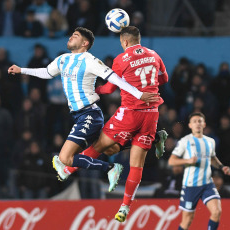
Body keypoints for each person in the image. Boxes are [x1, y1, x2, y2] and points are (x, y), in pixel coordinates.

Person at [8, 27, 158, 193]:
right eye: (72, 34)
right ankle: (151, 139)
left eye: (76, 35)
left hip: (90, 114)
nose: (71, 37)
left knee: (65, 157)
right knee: (106, 148)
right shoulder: (63, 59)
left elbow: (114, 78)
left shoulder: (90, 61)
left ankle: (110, 168)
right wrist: (22, 70)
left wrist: (138, 94)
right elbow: (46, 73)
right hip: (78, 116)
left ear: (85, 43)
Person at [53, 26, 169, 222]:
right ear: (138, 39)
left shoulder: (121, 59)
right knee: (135, 164)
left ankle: (68, 169)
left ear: (124, 42)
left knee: (100, 145)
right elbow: (164, 79)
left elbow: (109, 88)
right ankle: (125, 207)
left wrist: (95, 90)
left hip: (130, 113)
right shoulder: (154, 54)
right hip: (151, 113)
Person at [168, 112, 230, 230]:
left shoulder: (210, 141)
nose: (197, 123)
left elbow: (212, 158)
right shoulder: (184, 141)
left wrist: (222, 167)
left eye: (199, 121)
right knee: (187, 221)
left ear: (204, 124)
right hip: (191, 185)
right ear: (190, 125)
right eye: (195, 121)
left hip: (207, 184)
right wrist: (187, 160)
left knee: (217, 211)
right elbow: (171, 161)